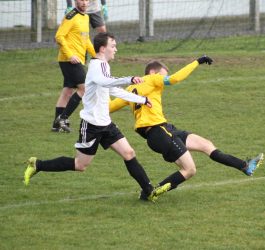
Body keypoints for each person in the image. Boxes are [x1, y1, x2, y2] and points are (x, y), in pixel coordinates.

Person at [24, 32, 171, 202]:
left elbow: (112, 89)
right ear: (103, 48)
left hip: (106, 123)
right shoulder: (97, 66)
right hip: (92, 124)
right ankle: (38, 165)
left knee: (129, 153)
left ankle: (148, 191)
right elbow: (106, 82)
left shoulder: (104, 65)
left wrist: (142, 99)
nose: (116, 49)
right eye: (113, 46)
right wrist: (129, 79)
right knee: (80, 165)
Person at [109, 56, 264, 200]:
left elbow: (110, 106)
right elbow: (174, 78)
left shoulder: (130, 90)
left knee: (206, 144)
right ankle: (151, 192)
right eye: (162, 75)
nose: (163, 80)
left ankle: (245, 166)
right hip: (158, 132)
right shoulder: (150, 78)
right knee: (189, 170)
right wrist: (197, 61)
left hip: (165, 129)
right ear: (152, 72)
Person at [52, 0, 96, 132]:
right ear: (76, 1)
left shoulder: (86, 16)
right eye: (81, 0)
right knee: (84, 89)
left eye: (86, 0)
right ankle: (62, 118)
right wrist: (70, 55)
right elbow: (59, 36)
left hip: (78, 60)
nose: (84, 2)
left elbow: (86, 39)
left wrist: (96, 55)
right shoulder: (70, 16)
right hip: (69, 60)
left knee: (67, 91)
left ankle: (56, 125)